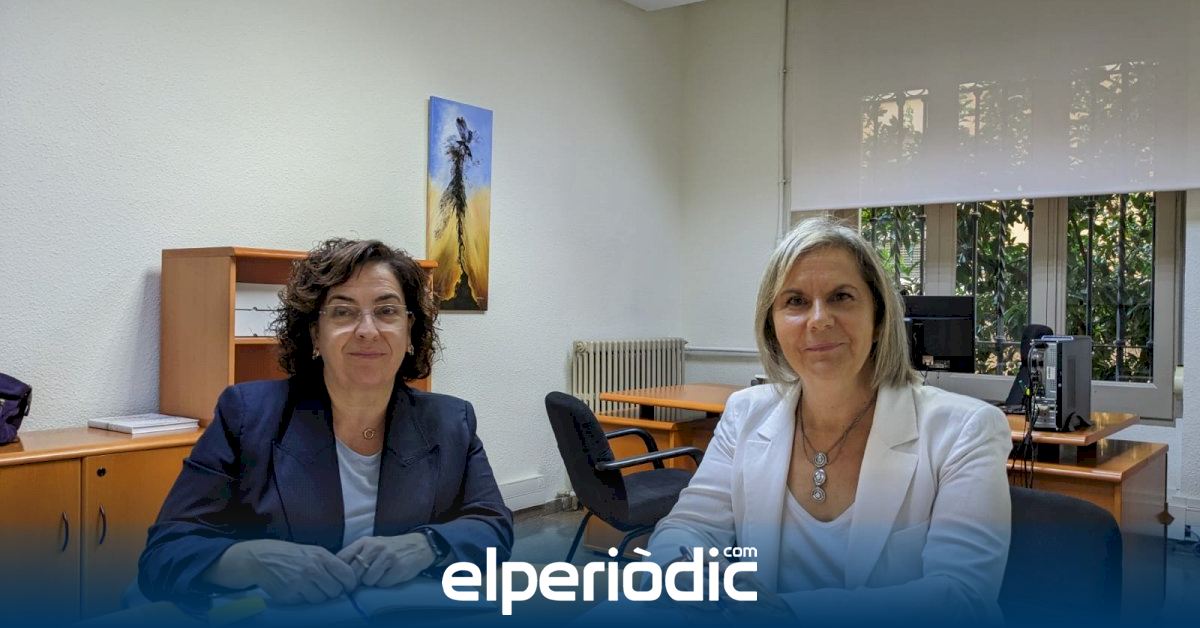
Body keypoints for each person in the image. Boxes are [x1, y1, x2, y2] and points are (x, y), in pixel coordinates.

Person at [644, 217, 1012, 624]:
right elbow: (688, 527)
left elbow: (961, 597)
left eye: (841, 297)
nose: (819, 319)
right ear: (773, 327)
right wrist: (681, 572)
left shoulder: (966, 430)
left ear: (878, 320)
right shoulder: (745, 413)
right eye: (795, 301)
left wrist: (784, 612)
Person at [138, 238, 512, 608]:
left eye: (387, 311)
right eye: (343, 312)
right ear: (316, 333)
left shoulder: (450, 421)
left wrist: (428, 545)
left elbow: (492, 526)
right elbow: (166, 552)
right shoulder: (248, 415)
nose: (367, 330)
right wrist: (253, 561)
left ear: (410, 331)